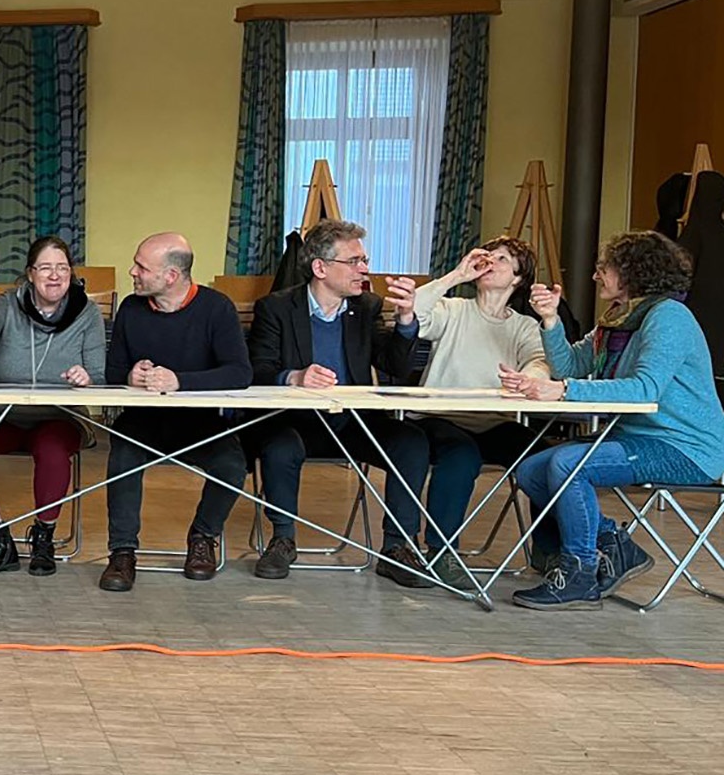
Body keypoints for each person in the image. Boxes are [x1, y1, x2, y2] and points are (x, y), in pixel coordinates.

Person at [501, 231, 724, 610]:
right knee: (532, 471)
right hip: (637, 438)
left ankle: (579, 574)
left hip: (685, 447)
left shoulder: (669, 317)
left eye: (605, 268)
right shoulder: (619, 320)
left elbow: (644, 390)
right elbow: (570, 365)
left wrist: (565, 390)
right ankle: (616, 546)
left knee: (568, 465)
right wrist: (552, 320)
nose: (596, 275)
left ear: (634, 273)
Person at [244, 220, 430, 586]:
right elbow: (256, 369)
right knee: (279, 445)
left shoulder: (367, 307)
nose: (365, 269)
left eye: (365, 260)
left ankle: (397, 547)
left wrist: (406, 321)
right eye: (355, 261)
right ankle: (283, 539)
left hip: (352, 422)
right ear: (320, 267)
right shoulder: (276, 308)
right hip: (292, 420)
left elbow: (394, 365)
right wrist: (294, 377)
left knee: (410, 441)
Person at [98, 233, 251, 592]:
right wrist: (130, 376)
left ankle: (203, 537)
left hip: (201, 422)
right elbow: (113, 371)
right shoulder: (131, 309)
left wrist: (180, 381)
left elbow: (240, 372)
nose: (132, 272)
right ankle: (122, 551)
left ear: (170, 276)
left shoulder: (217, 308)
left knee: (232, 465)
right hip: (143, 422)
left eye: (141, 267)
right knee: (121, 457)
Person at [0, 236, 105, 578]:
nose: (55, 275)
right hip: (4, 414)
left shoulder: (87, 312)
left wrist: (86, 377)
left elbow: (100, 375)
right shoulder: (9, 302)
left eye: (62, 268)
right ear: (30, 273)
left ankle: (43, 538)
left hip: (59, 417)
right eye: (45, 267)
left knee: (51, 450)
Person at [405, 237, 549, 587]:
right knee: (462, 456)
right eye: (488, 256)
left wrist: (527, 379)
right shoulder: (453, 309)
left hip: (495, 422)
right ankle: (441, 553)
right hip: (439, 418)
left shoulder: (524, 326)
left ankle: (551, 552)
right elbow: (412, 312)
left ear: (518, 278)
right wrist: (455, 275)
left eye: (502, 259)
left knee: (549, 459)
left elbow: (538, 362)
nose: (490, 262)